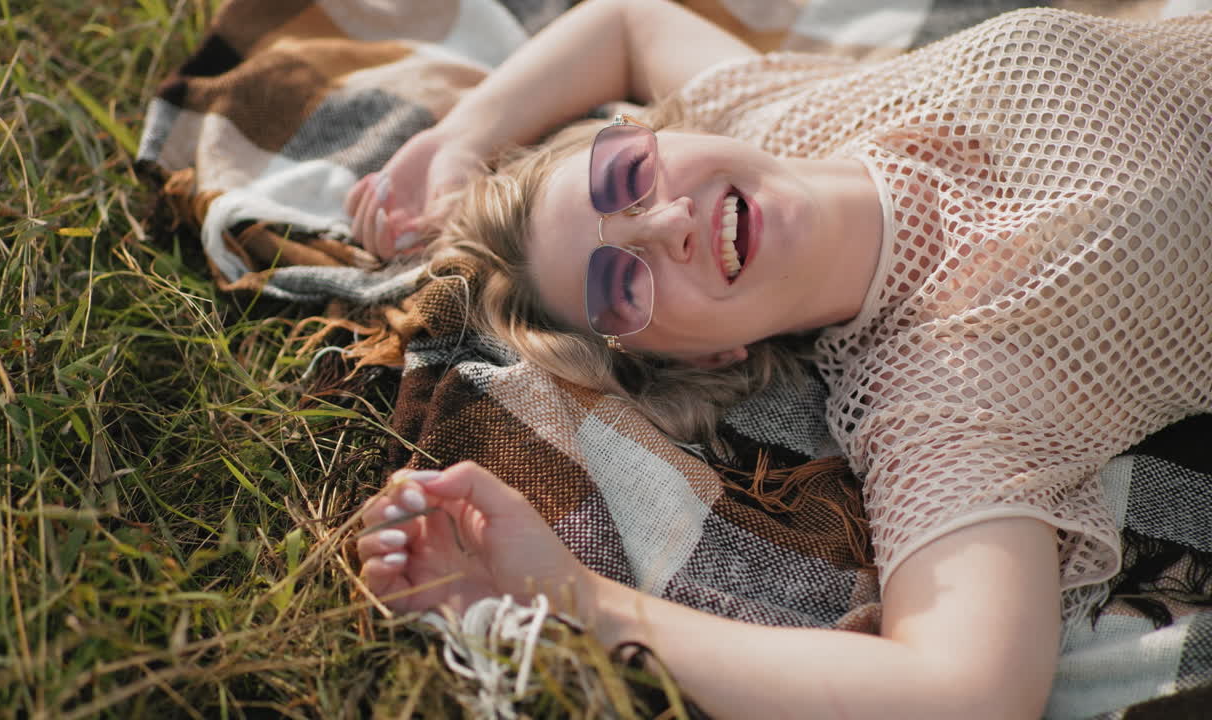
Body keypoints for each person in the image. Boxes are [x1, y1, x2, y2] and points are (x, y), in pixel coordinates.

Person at [347, 1, 1212, 717]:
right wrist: (579, 598)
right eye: (625, 283)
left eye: (624, 177)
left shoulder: (780, 114)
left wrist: (460, 141)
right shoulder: (944, 399)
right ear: (703, 354)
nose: (664, 224)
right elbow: (969, 693)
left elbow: (622, 21)